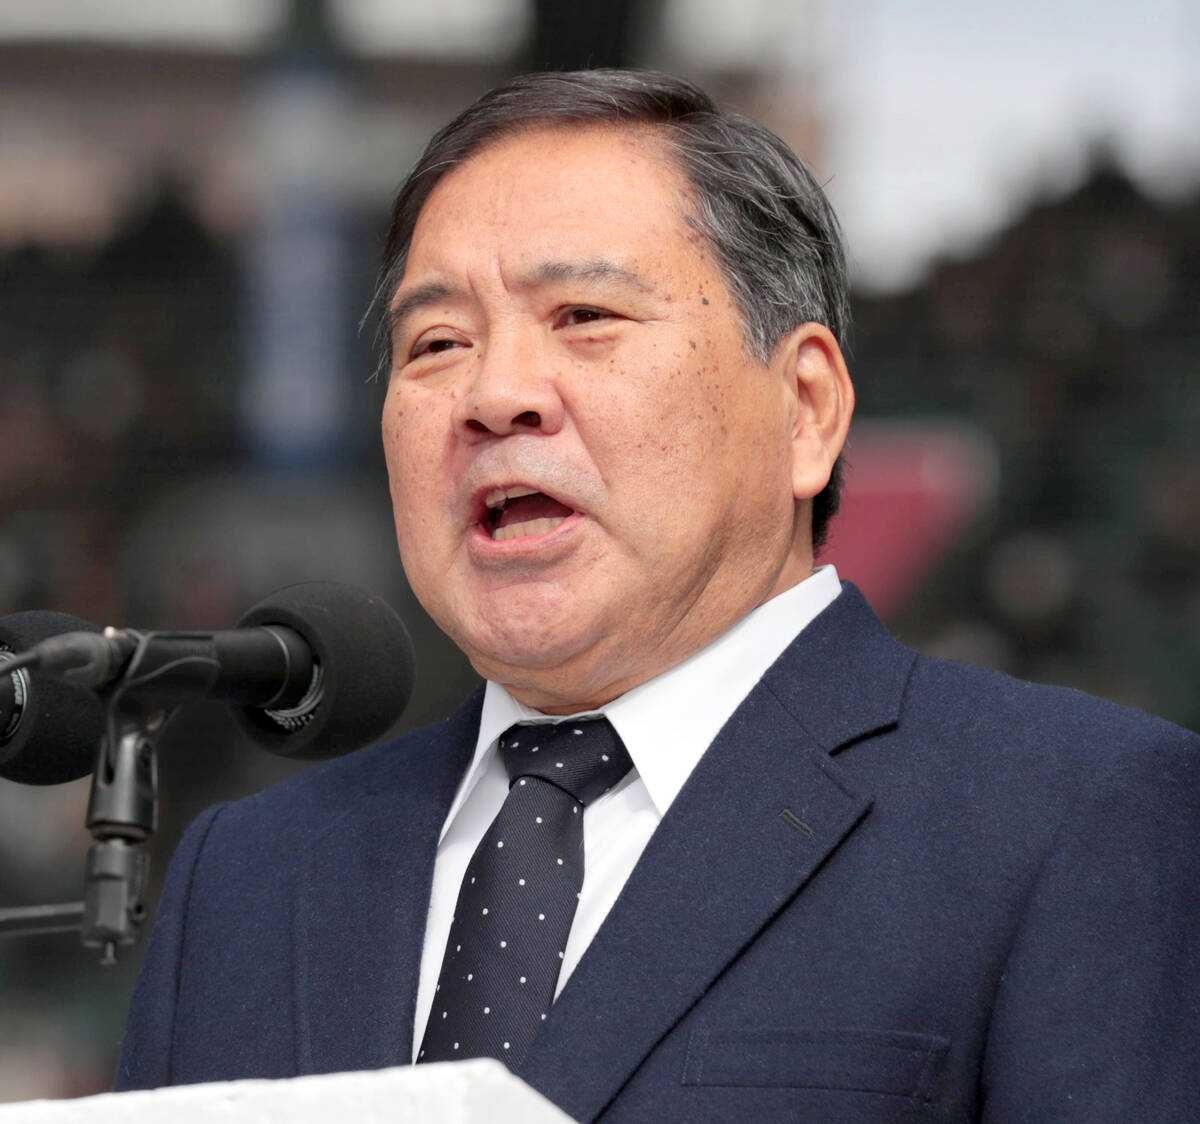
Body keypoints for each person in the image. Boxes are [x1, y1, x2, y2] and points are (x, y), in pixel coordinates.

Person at [115, 70, 1200, 1121]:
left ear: (807, 409)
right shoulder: (247, 877)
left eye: (585, 315)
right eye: (437, 343)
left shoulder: (1072, 814)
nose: (495, 394)